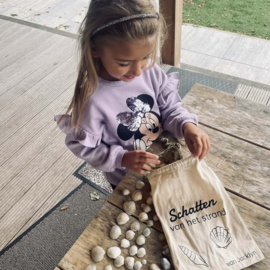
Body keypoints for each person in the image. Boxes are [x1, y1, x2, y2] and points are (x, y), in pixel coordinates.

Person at [54, 0, 210, 189]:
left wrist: (186, 125)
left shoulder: (150, 71)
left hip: (166, 162)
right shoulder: (92, 101)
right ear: (95, 49)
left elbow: (169, 107)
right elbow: (83, 147)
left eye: (145, 57)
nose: (137, 71)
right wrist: (122, 158)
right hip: (128, 181)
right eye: (123, 63)